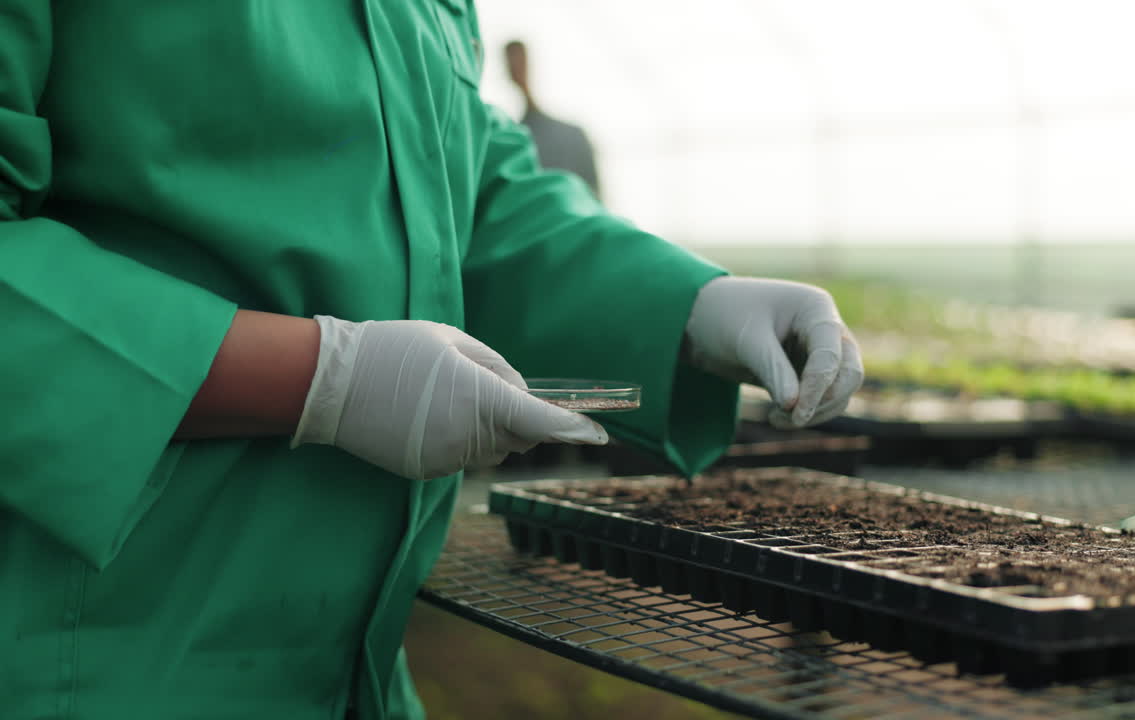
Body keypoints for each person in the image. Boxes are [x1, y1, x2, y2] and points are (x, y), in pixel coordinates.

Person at [0, 4, 862, 719]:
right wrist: (318, 378)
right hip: (91, 662)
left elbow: (467, 194)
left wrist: (685, 308)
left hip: (358, 675)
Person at [504, 39, 602, 198]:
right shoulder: (512, 143)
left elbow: (594, 194)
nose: (516, 68)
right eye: (511, 63)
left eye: (520, 61)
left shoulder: (572, 135)